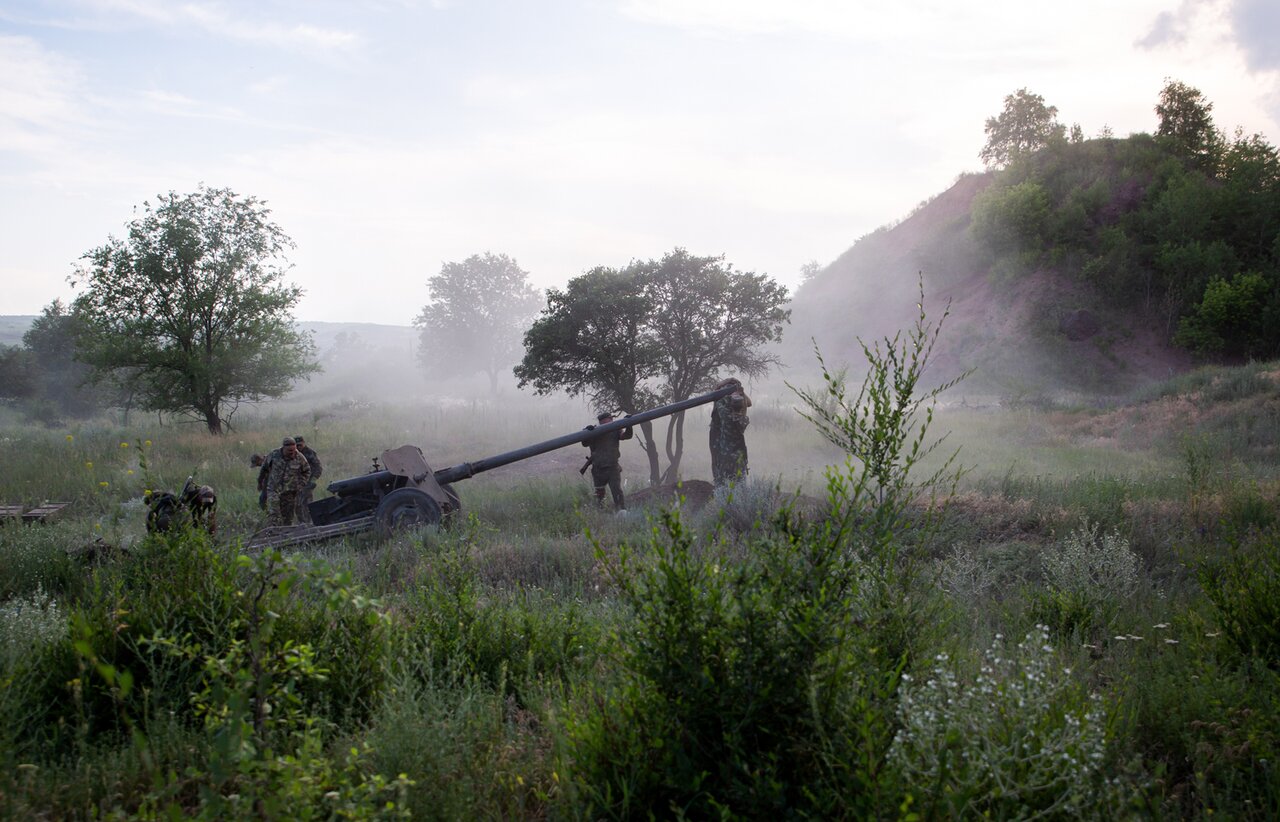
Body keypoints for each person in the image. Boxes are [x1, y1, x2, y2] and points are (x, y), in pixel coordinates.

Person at [582, 410, 633, 510]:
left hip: (612, 467)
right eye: (605, 421)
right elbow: (585, 443)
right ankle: (601, 513)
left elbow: (626, 436)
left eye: (609, 420)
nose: (608, 423)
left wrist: (629, 425)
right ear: (601, 422)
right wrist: (587, 433)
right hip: (598, 469)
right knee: (599, 494)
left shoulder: (616, 430)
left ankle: (621, 513)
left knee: (617, 492)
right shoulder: (595, 431)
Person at [709, 377, 751, 487]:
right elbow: (748, 403)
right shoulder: (743, 419)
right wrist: (740, 392)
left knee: (722, 480)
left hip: (725, 456)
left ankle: (721, 493)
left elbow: (716, 396)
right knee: (739, 481)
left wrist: (726, 383)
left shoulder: (724, 414)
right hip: (739, 456)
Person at [264, 437, 311, 526]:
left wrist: (301, 484)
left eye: (293, 450)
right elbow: (265, 469)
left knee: (288, 518)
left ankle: (287, 536)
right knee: (274, 514)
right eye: (289, 450)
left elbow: (307, 471)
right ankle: (272, 535)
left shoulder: (300, 457)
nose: (291, 452)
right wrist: (263, 484)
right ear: (283, 448)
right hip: (274, 489)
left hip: (289, 492)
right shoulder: (274, 454)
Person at [293, 435, 323, 524]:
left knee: (306, 504)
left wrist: (312, 480)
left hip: (308, 483)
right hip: (297, 483)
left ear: (304, 443)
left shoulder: (310, 453)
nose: (298, 447)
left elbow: (318, 468)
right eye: (296, 445)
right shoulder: (294, 454)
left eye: (300, 445)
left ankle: (309, 523)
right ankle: (302, 523)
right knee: (297, 505)